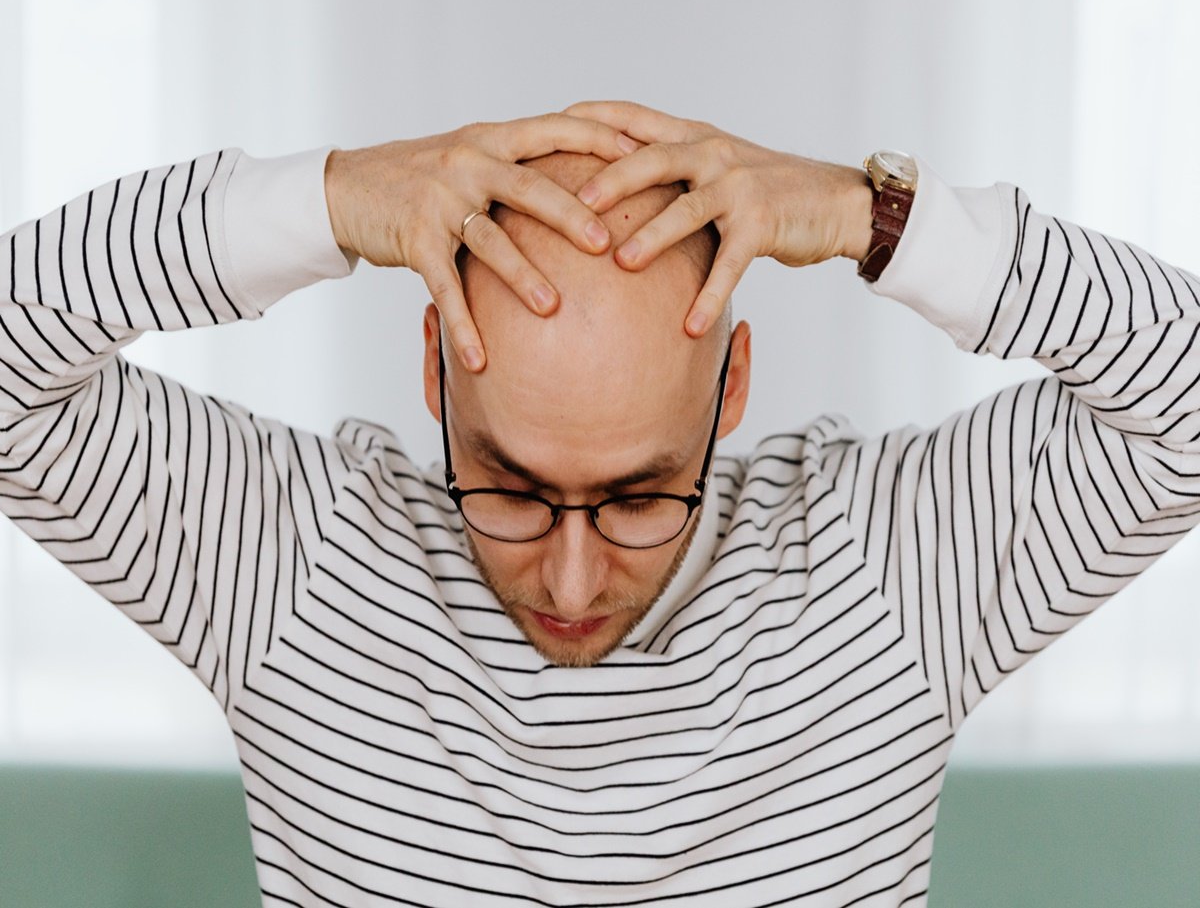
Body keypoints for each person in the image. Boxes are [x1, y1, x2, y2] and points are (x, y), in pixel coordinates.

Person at [2, 101, 1197, 906]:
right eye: (511, 489)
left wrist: (872, 214)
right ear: (434, 371)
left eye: (638, 499)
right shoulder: (300, 562)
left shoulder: (880, 566)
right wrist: (320, 204)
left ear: (733, 388)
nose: (570, 582)